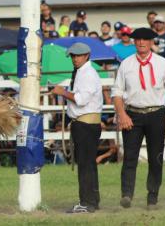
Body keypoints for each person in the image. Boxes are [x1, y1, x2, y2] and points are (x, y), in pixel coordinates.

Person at [110, 27, 165, 209]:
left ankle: (153, 196)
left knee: (156, 157)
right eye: (138, 39)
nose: (141, 42)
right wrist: (122, 114)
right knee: (129, 156)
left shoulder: (163, 63)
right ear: (134, 42)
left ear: (152, 42)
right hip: (133, 114)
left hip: (156, 113)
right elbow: (117, 92)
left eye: (145, 39)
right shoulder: (126, 64)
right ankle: (127, 194)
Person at [51, 43, 104, 214]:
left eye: (78, 55)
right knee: (88, 164)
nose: (75, 58)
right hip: (86, 123)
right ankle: (92, 200)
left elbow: (81, 100)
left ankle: (87, 202)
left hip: (85, 124)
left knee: (85, 164)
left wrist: (63, 92)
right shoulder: (82, 72)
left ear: (87, 55)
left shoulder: (87, 74)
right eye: (73, 56)